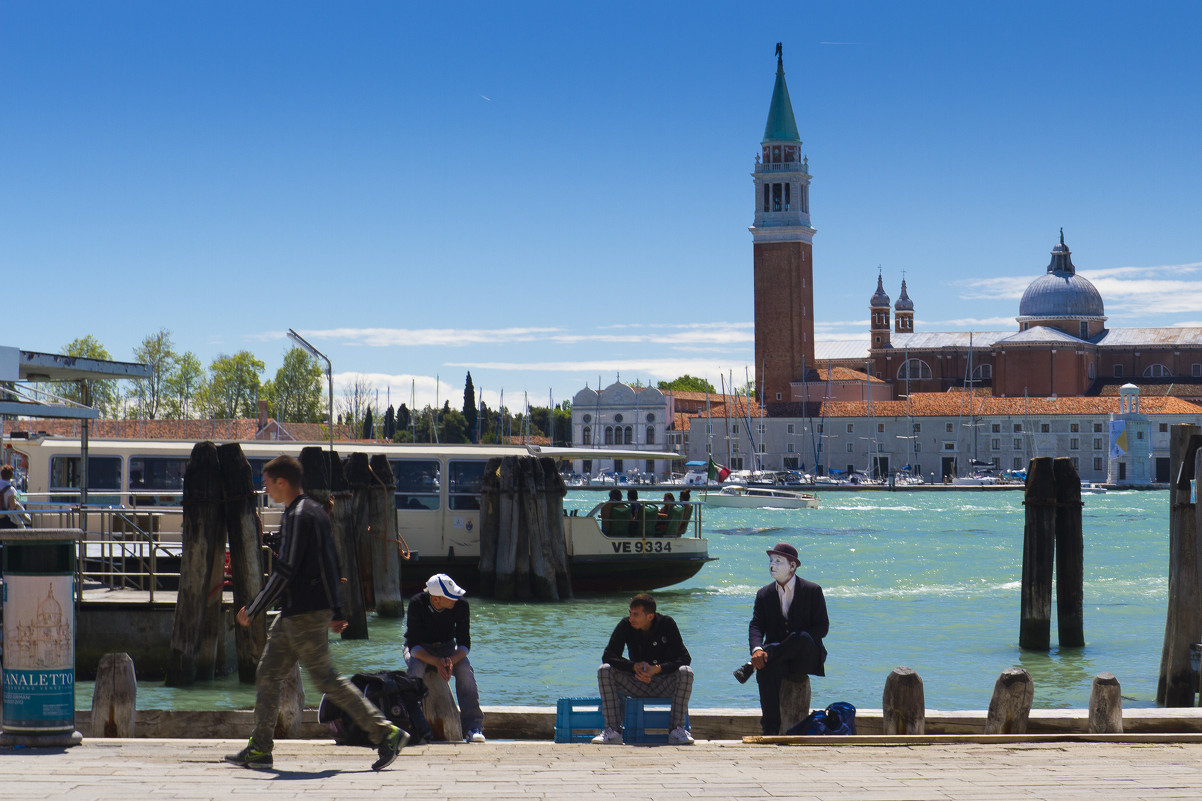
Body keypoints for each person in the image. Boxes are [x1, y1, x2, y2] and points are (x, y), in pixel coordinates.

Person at [226, 455, 408, 771]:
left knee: (327, 680)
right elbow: (330, 564)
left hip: (303, 614)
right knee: (268, 674)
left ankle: (386, 733)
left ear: (282, 482)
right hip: (300, 612)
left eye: (267, 482)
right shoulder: (315, 511)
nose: (265, 488)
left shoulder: (297, 516)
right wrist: (336, 610)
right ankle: (259, 748)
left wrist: (254, 608)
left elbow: (285, 571)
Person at [733, 542, 829, 736]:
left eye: (778, 561)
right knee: (765, 669)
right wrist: (756, 649)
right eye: (770, 561)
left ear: (792, 566)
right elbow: (756, 625)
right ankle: (770, 728)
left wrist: (775, 647)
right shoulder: (764, 594)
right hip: (777, 658)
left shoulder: (812, 590)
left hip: (806, 655)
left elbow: (822, 628)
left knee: (800, 637)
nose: (772, 565)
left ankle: (752, 664)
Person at [593, 593, 695, 745]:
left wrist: (658, 669)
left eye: (636, 615)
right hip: (636, 683)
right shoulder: (625, 625)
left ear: (650, 616)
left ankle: (676, 730)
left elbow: (684, 658)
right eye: (630, 613)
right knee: (604, 670)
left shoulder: (667, 623)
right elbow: (608, 656)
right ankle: (613, 731)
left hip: (663, 683)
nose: (631, 618)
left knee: (686, 672)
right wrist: (632, 667)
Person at [404, 573, 485, 743]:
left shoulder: (461, 605)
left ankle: (473, 727)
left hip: (448, 647)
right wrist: (435, 662)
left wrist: (449, 661)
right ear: (435, 599)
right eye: (450, 597)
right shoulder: (417, 604)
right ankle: (412, 724)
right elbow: (413, 645)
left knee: (465, 670)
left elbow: (464, 644)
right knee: (416, 670)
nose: (456, 599)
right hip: (420, 648)